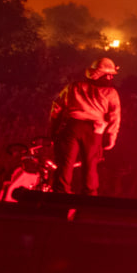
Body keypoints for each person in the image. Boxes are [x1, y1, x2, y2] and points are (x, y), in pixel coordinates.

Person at [49, 57, 121, 196]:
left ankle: (60, 197)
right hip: (95, 131)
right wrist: (111, 137)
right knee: (90, 167)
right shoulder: (111, 93)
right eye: (109, 74)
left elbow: (56, 108)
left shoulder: (73, 87)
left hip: (72, 127)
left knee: (65, 165)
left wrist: (52, 130)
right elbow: (114, 117)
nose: (111, 77)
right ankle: (89, 199)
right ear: (100, 74)